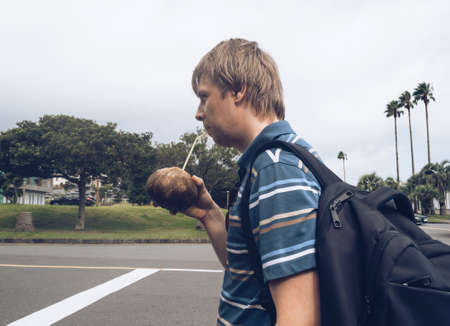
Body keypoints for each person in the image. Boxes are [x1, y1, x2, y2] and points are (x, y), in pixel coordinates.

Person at [184, 38, 321, 326]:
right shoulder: (268, 161)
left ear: (237, 91)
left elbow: (299, 316)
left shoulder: (276, 168)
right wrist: (210, 214)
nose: (198, 113)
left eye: (204, 97)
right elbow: (251, 273)